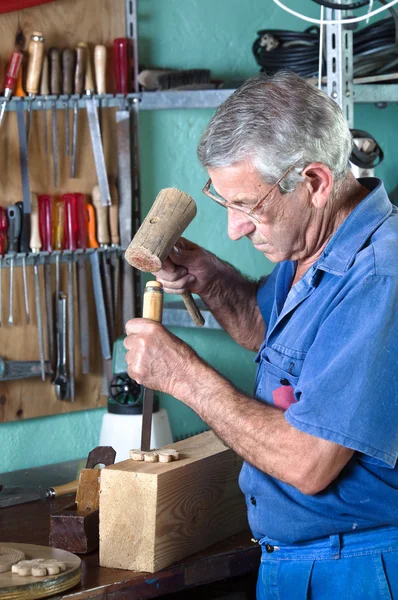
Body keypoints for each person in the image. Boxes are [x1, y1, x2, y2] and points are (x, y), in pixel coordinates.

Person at [124, 71, 398, 599]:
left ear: (315, 183)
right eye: (225, 204)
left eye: (248, 206)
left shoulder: (380, 276)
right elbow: (267, 331)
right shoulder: (314, 249)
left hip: (360, 568)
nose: (234, 229)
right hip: (296, 561)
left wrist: (183, 375)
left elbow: (307, 461)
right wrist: (210, 277)